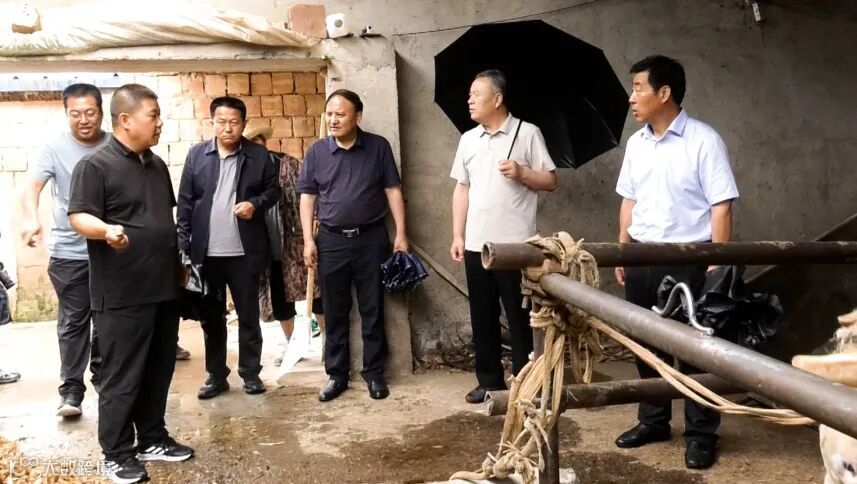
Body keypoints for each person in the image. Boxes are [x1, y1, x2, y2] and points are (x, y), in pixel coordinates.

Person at [613, 55, 739, 470]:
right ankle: (654, 421)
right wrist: (622, 248)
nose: (632, 97)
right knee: (644, 343)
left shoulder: (704, 140)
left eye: (639, 88)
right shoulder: (637, 143)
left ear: (664, 93)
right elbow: (629, 200)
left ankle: (701, 435)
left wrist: (716, 262)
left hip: (690, 259)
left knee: (698, 350)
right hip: (642, 255)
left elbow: (721, 206)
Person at [68, 84, 194, 484]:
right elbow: (79, 216)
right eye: (153, 116)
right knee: (122, 376)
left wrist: (178, 264)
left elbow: (162, 221)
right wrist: (106, 230)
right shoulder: (95, 166)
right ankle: (116, 452)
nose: (160, 123)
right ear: (125, 120)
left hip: (163, 287)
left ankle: (152, 438)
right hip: (122, 293)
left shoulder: (156, 165)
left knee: (159, 369)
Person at [449, 69, 558, 404]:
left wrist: (523, 173)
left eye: (476, 94)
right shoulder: (468, 139)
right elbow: (461, 189)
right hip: (476, 244)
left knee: (520, 315)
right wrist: (457, 235)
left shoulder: (527, 133)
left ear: (497, 99)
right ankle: (489, 381)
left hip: (516, 246)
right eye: (469, 95)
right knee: (482, 315)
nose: (469, 100)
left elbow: (550, 181)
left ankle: (527, 380)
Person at [297, 89, 407, 402]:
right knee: (335, 310)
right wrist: (308, 240)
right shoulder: (317, 152)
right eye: (330, 114)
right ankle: (336, 375)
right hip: (330, 240)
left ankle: (374, 373)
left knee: (373, 308)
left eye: (340, 114)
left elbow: (392, 190)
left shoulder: (377, 147)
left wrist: (401, 233)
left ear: (357, 117)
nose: (333, 120)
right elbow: (308, 197)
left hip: (371, 238)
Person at [176, 97, 280, 399]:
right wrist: (184, 246)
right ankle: (215, 375)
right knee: (212, 319)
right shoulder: (197, 155)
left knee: (248, 317)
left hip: (244, 253)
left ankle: (250, 374)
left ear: (243, 124)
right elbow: (185, 202)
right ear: (212, 123)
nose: (228, 128)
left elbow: (273, 190)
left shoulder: (258, 155)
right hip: (207, 255)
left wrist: (255, 204)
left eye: (234, 122)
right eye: (221, 122)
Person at [19, 83, 106, 418]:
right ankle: (71, 390)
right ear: (66, 114)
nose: (83, 120)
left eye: (90, 112)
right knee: (73, 322)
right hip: (70, 253)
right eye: (75, 114)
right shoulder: (54, 148)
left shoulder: (115, 145)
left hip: (111, 250)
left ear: (101, 111)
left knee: (108, 319)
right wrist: (31, 218)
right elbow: (33, 186)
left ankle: (104, 379)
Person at [244, 126, 325, 366]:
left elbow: (310, 195)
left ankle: (327, 341)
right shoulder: (244, 171)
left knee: (316, 293)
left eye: (257, 141)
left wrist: (311, 234)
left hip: (296, 239)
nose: (255, 147)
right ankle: (291, 345)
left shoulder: (287, 164)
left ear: (264, 142)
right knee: (279, 298)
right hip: (267, 244)